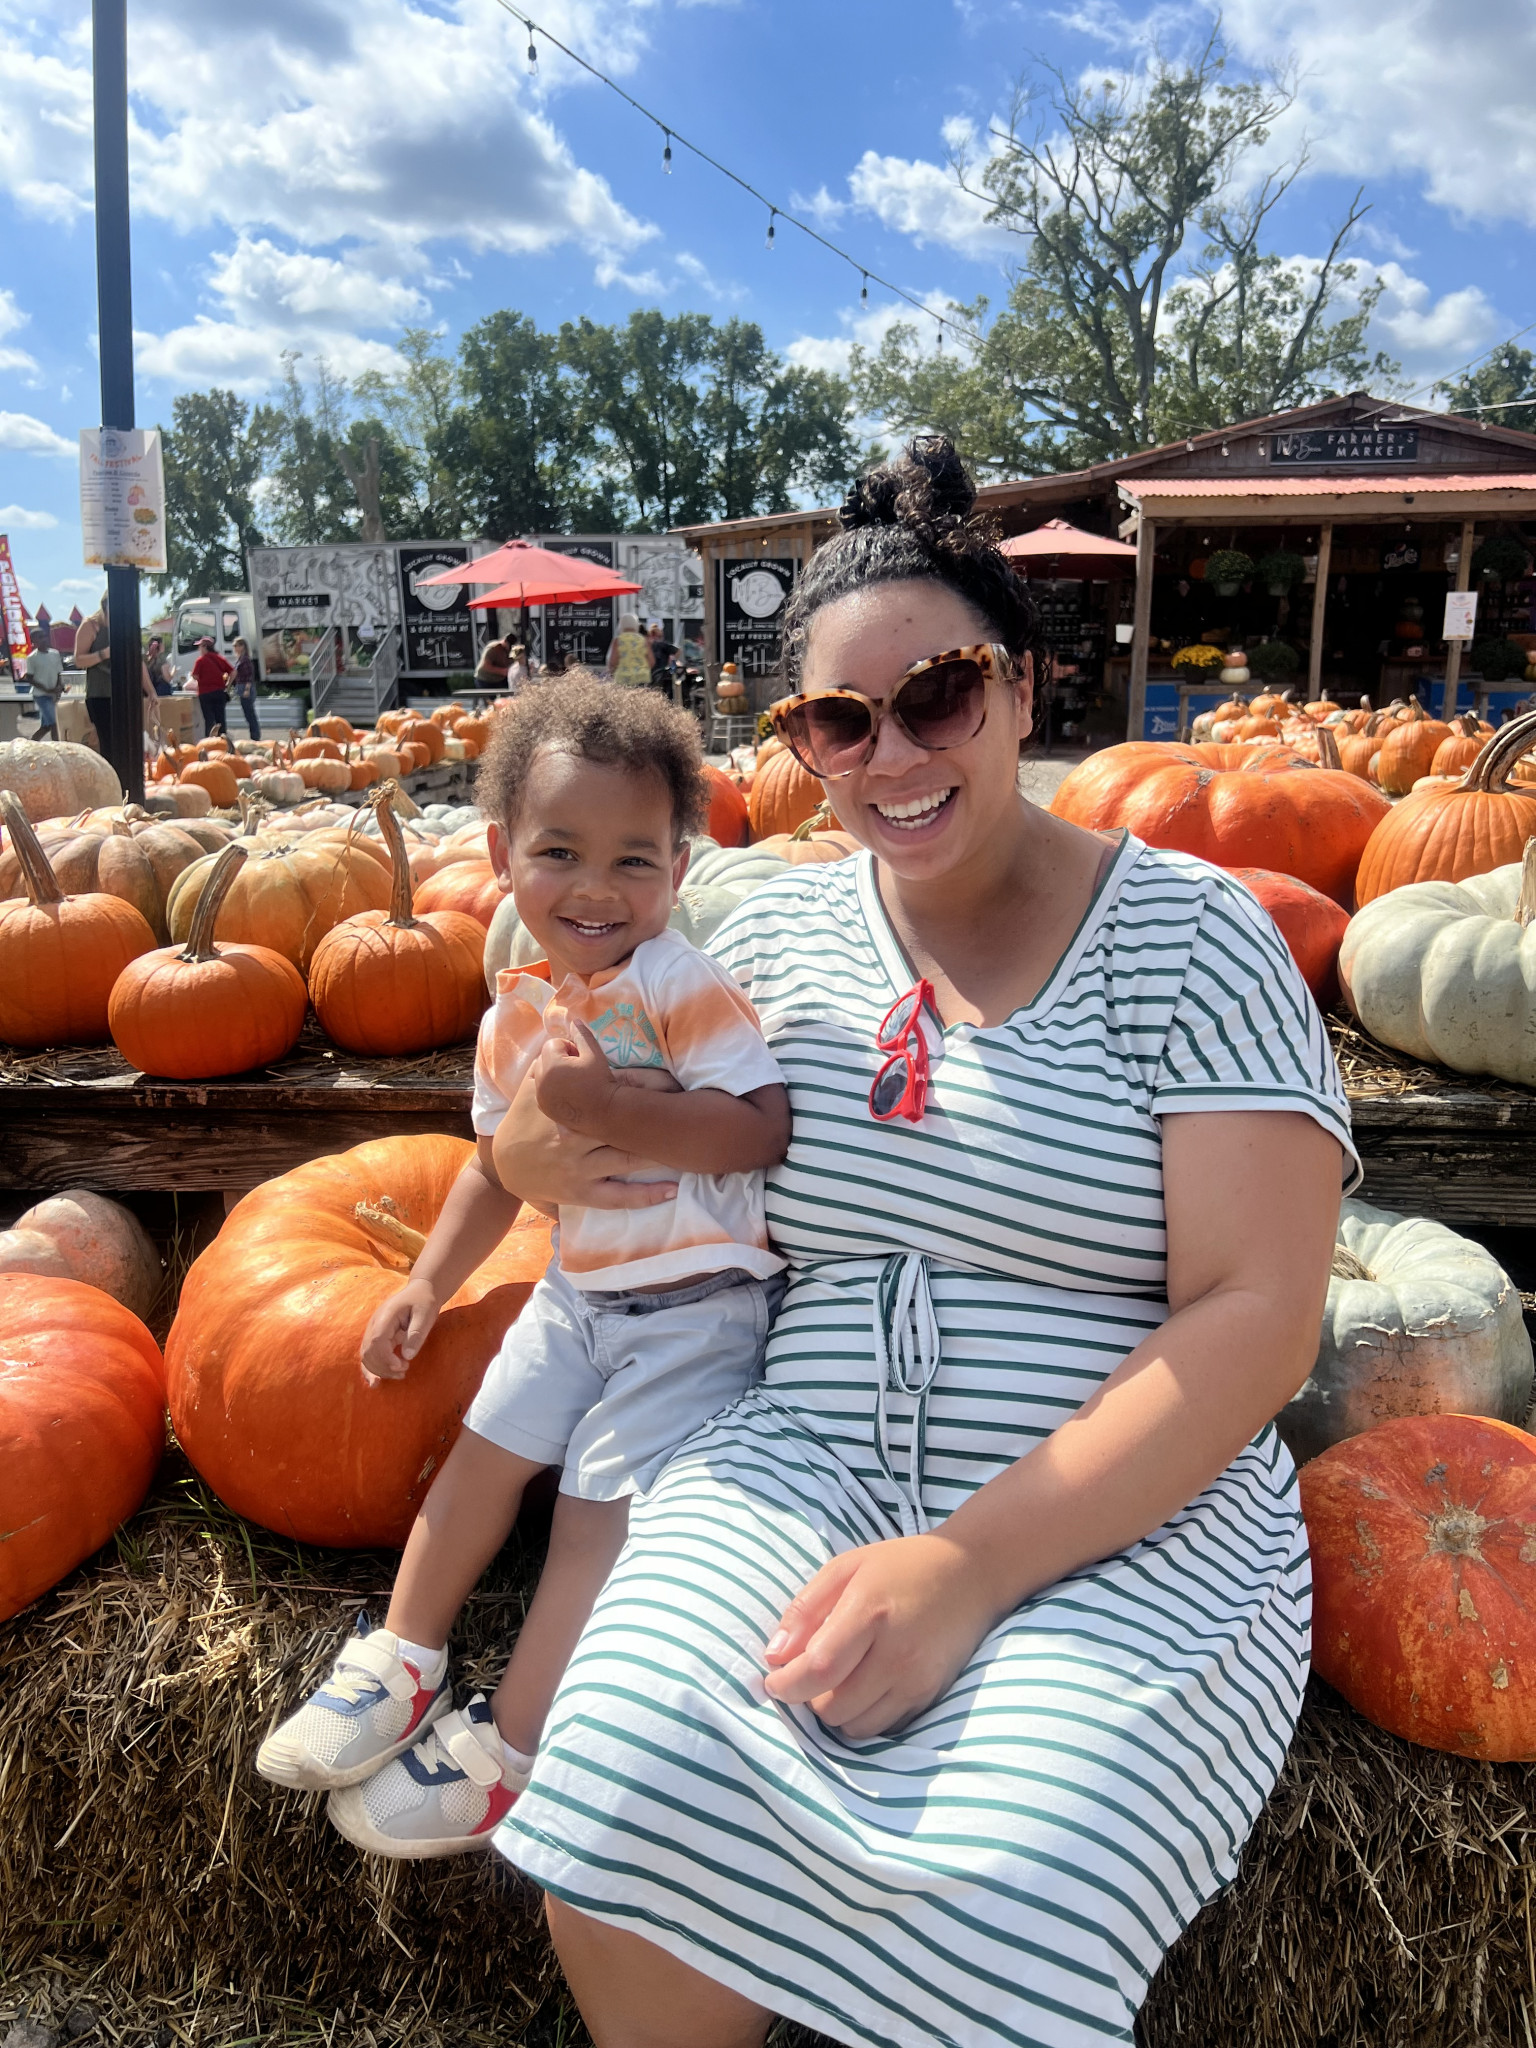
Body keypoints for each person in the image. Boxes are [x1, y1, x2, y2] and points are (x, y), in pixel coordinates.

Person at [489, 437, 1353, 2048]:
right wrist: (528, 1146)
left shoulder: (1198, 937)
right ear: (803, 747)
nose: (892, 754)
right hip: (796, 1454)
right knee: (621, 1783)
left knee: (1015, 1876)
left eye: (939, 697)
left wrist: (969, 1566)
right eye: (839, 722)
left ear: (1021, 690)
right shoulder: (756, 929)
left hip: (1120, 1508)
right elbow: (558, 1036)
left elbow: (1257, 1313)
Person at [254, 677, 791, 1860]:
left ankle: (517, 1743)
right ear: (502, 855)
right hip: (574, 1294)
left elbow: (759, 1127)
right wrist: (426, 1282)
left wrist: (616, 1109)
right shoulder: (512, 1014)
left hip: (696, 1311)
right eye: (560, 852)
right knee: (480, 1459)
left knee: (593, 1514)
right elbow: (496, 1169)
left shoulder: (679, 984)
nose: (597, 888)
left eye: (633, 860)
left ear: (679, 870)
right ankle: (402, 1657)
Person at [71, 593, 114, 758]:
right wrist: (104, 654)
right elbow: (79, 660)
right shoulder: (90, 625)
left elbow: (138, 663)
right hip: (100, 695)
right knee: (108, 745)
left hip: (124, 695)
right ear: (105, 606)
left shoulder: (125, 626)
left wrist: (151, 691)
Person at [22, 621, 63, 740]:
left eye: (44, 636)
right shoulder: (32, 658)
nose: (43, 639)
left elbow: (58, 673)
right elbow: (30, 678)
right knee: (54, 723)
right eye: (39, 637)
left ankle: (31, 744)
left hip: (52, 695)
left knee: (46, 726)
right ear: (34, 641)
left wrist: (58, 687)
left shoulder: (55, 654)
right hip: (41, 695)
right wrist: (46, 689)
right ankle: (57, 747)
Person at [191, 635, 233, 737]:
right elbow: (233, 672)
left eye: (200, 646)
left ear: (205, 646)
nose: (199, 649)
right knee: (221, 718)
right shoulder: (220, 658)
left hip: (205, 693)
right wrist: (228, 685)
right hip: (219, 692)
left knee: (209, 719)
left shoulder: (200, 660)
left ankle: (210, 740)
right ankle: (223, 739)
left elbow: (195, 676)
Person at [606, 610, 653, 688]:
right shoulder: (644, 640)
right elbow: (651, 661)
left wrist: (612, 671)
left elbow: (613, 661)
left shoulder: (618, 640)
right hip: (642, 677)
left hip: (623, 678)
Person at [229, 637, 260, 739]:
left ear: (242, 646)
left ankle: (255, 736)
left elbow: (249, 676)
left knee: (250, 713)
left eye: (236, 646)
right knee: (248, 713)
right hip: (241, 687)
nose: (234, 648)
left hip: (246, 688)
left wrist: (247, 689)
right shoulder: (240, 659)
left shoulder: (245, 660)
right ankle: (254, 735)